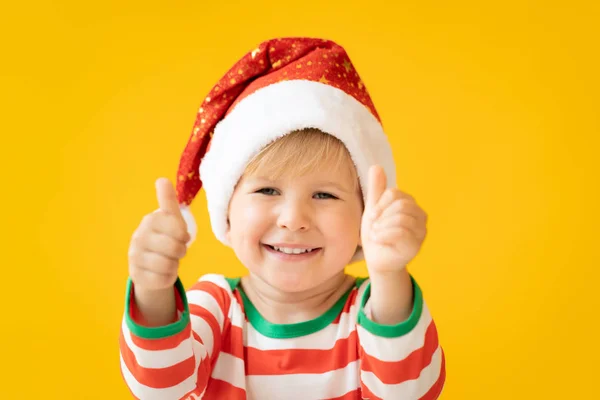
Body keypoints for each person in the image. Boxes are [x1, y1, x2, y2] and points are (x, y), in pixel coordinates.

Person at [120, 37, 446, 400]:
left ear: (365, 216)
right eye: (267, 191)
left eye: (324, 195)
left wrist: (388, 273)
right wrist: (152, 289)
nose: (293, 219)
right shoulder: (216, 305)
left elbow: (410, 393)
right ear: (226, 210)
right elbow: (160, 389)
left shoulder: (375, 309)